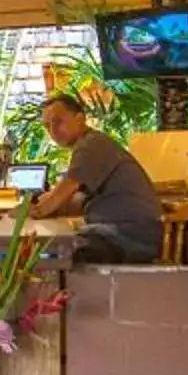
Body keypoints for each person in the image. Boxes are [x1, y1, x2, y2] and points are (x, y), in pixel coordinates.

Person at [32, 93, 163, 264]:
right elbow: (73, 201)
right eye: (47, 126)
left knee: (63, 254)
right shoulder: (91, 144)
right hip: (124, 232)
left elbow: (62, 193)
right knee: (61, 249)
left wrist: (32, 211)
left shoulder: (91, 146)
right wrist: (43, 202)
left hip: (130, 236)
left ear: (80, 118)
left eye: (57, 122)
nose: (53, 131)